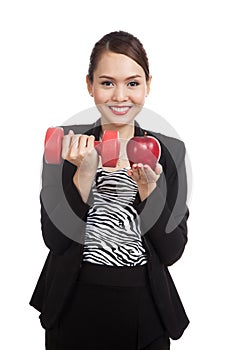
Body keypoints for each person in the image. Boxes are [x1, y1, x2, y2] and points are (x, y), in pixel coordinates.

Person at [30, 31, 190, 350]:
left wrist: (150, 194)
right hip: (73, 306)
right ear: (90, 85)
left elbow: (172, 251)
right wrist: (84, 174)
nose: (120, 96)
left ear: (148, 85)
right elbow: (56, 240)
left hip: (145, 313)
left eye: (132, 83)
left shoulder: (170, 150)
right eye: (107, 83)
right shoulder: (61, 144)